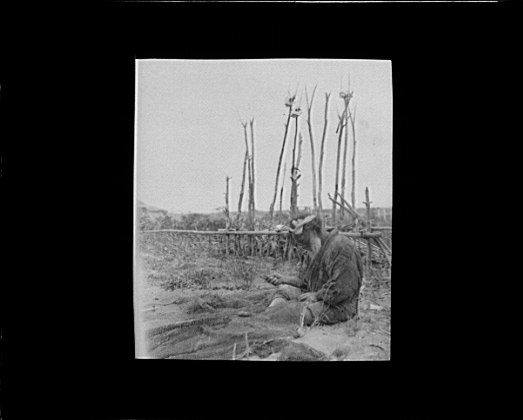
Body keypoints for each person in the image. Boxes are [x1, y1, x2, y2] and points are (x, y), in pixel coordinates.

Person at [265, 214, 363, 327]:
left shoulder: (342, 247)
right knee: (284, 290)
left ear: (313, 231)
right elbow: (305, 281)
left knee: (297, 312)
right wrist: (284, 279)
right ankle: (270, 315)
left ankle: (273, 317)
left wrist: (317, 296)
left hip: (338, 306)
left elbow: (342, 289)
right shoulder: (313, 249)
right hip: (315, 294)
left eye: (303, 240)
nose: (302, 246)